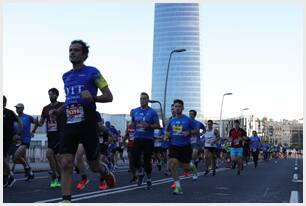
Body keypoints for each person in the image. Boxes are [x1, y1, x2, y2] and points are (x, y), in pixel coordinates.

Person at [58, 40, 115, 202]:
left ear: (84, 54)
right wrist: (59, 110)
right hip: (70, 122)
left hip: (88, 121)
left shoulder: (93, 72)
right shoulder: (66, 76)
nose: (72, 53)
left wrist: (93, 97)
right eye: (70, 50)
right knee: (66, 162)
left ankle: (104, 171)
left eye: (76, 50)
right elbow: (70, 99)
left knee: (93, 165)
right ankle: (66, 201)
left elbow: (109, 96)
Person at [32, 88, 64, 188]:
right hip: (50, 135)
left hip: (60, 135)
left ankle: (60, 177)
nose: (50, 96)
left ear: (56, 95)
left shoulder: (61, 105)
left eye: (52, 94)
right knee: (50, 155)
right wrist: (36, 124)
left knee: (58, 158)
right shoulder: (45, 108)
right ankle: (55, 176)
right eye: (49, 94)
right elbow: (41, 123)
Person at [165, 99, 196, 195]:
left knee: (184, 166)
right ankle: (178, 187)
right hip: (174, 145)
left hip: (185, 146)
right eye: (175, 106)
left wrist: (189, 132)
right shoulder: (171, 121)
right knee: (173, 164)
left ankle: (191, 167)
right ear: (173, 108)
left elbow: (197, 131)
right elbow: (168, 132)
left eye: (179, 106)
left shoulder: (188, 120)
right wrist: (167, 136)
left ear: (182, 108)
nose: (177, 108)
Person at [131, 92, 160, 189]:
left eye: (144, 98)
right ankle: (140, 172)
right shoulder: (135, 111)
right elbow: (133, 123)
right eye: (141, 98)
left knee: (147, 160)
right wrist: (135, 125)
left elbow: (158, 125)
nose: (142, 100)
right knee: (134, 158)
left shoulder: (152, 112)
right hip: (137, 138)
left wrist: (149, 125)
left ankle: (148, 178)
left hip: (148, 139)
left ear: (148, 100)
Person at [14, 103, 38, 181]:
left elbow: (37, 123)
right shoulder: (15, 118)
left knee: (17, 155)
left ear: (22, 108)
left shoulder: (28, 117)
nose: (17, 109)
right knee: (23, 157)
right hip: (18, 141)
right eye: (16, 108)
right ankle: (30, 174)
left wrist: (33, 131)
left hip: (26, 140)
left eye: (18, 108)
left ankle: (27, 168)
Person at [3, 95, 23, 187]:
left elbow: (19, 121)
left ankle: (10, 176)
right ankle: (6, 178)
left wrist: (18, 133)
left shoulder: (9, 112)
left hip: (7, 138)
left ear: (5, 103)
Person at [188, 110, 205, 180]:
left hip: (196, 141)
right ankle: (194, 167)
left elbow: (204, 129)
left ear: (195, 115)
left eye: (192, 114)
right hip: (187, 142)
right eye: (189, 114)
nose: (190, 115)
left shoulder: (198, 123)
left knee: (194, 155)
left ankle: (194, 171)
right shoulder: (186, 122)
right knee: (190, 159)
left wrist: (202, 133)